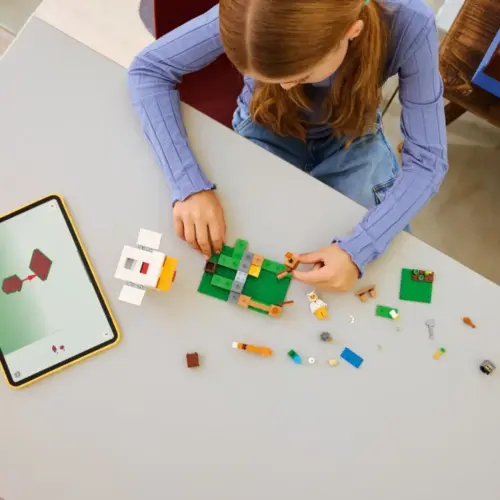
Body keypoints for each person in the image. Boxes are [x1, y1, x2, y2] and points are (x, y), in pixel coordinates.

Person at [128, 0, 448, 292]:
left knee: (386, 267)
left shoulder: (409, 21)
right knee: (235, 242)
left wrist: (358, 250)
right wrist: (188, 186)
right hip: (266, 123)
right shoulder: (255, 9)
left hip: (352, 136)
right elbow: (148, 70)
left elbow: (428, 161)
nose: (284, 86)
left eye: (299, 75)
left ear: (351, 31)